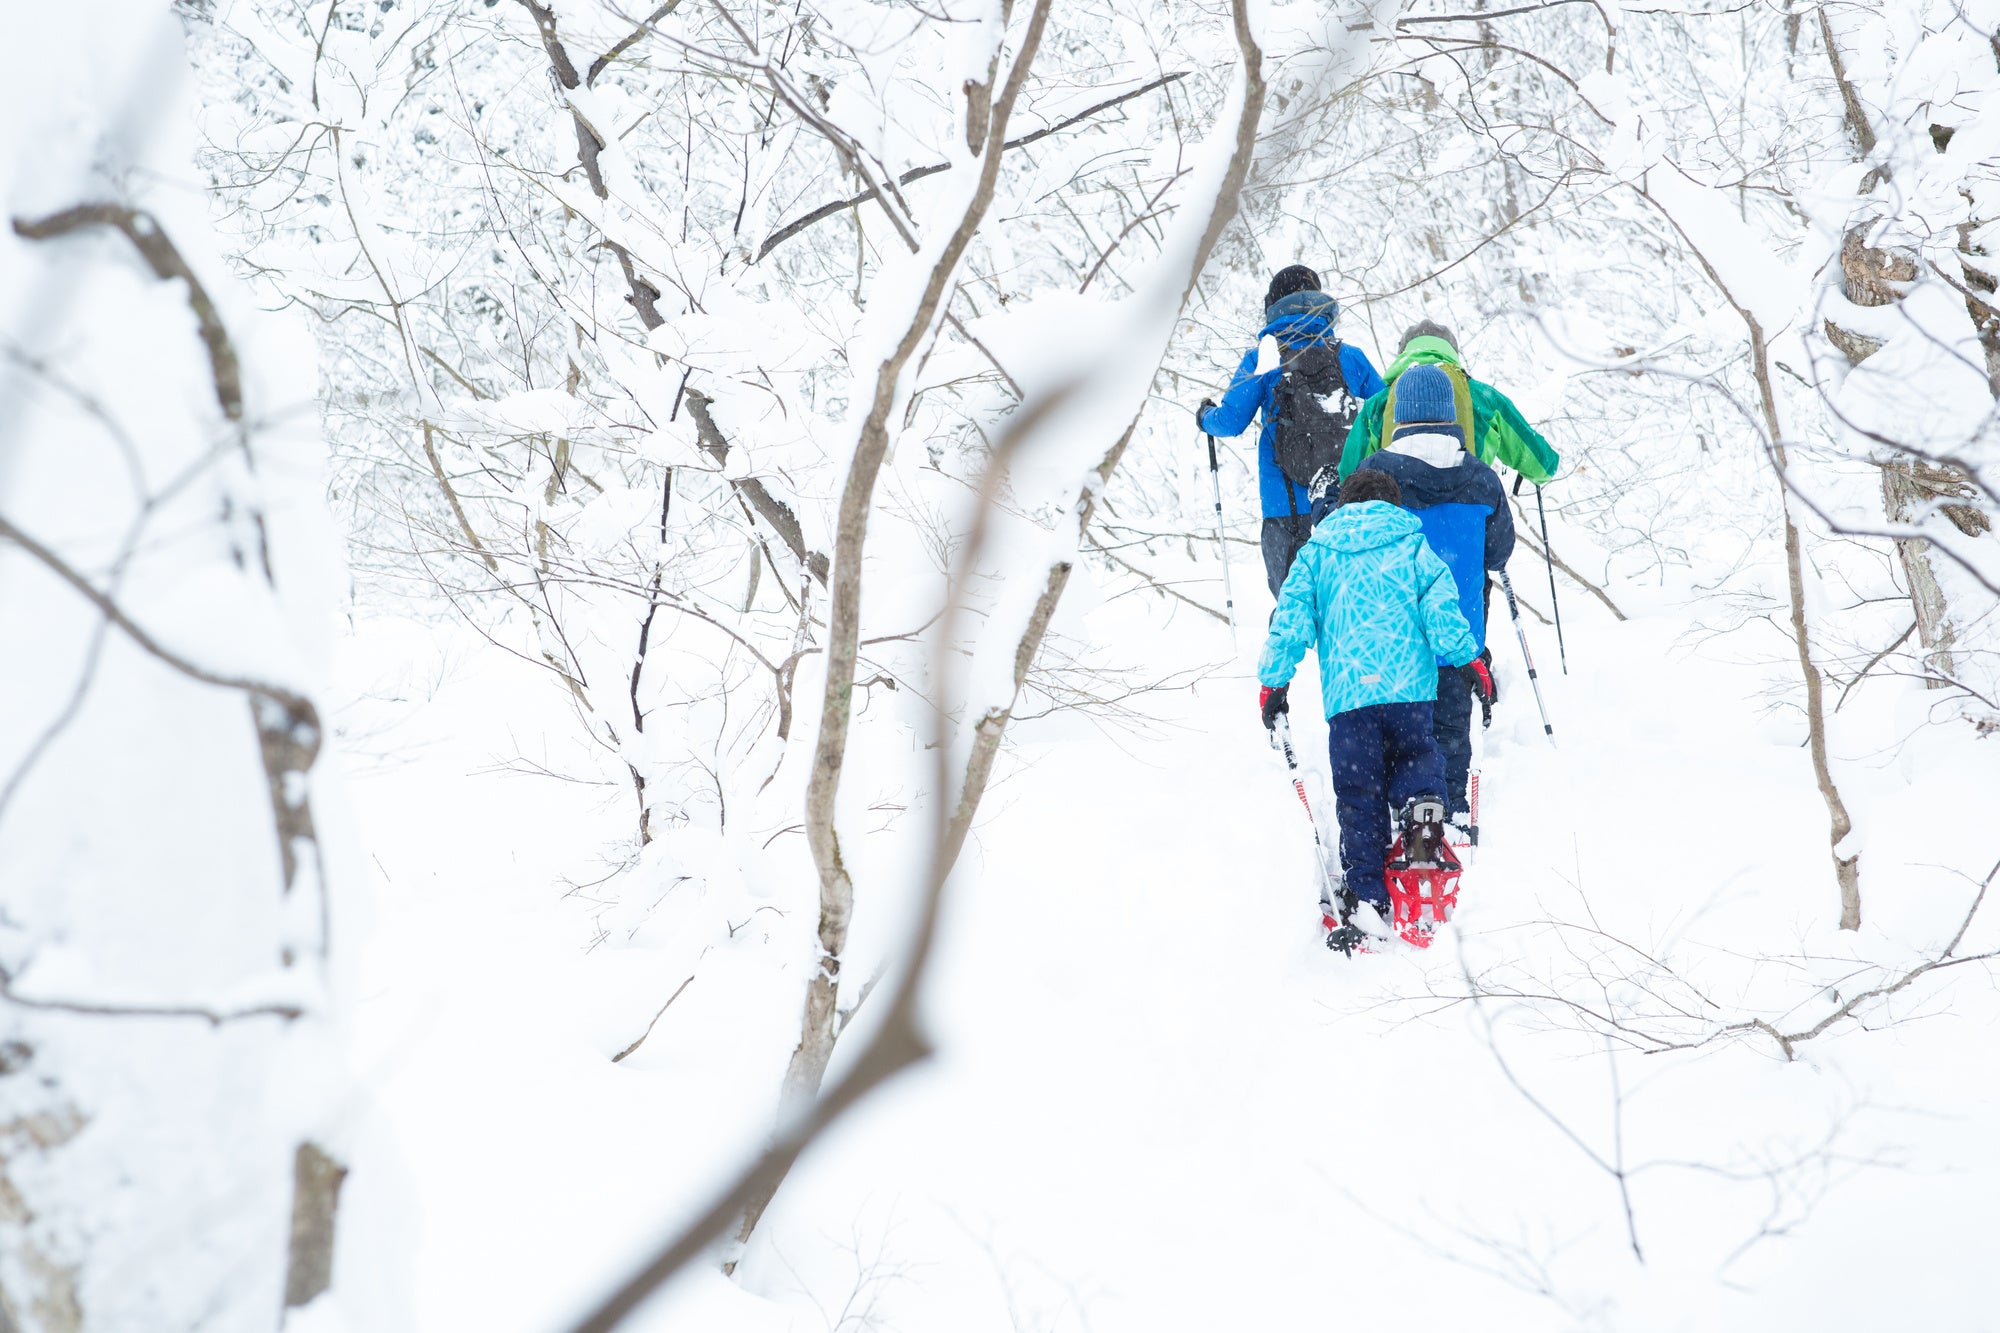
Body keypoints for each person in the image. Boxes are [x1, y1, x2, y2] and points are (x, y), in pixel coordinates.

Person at [1256, 469, 1491, 923]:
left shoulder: (1317, 553)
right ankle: (1422, 810)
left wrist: (1274, 682)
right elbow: (1444, 612)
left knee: (1358, 792)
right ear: (1393, 503)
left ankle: (1367, 896)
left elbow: (1290, 621)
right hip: (1410, 690)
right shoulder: (1413, 546)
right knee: (1417, 754)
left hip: (1350, 698)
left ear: (1344, 504)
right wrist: (1470, 660)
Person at [1347, 364, 1511, 840]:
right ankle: (1453, 822)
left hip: (1394, 640)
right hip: (1459, 638)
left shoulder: (1375, 473)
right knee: (1449, 737)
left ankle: (1404, 822)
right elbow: (1499, 554)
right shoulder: (1482, 480)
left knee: (1401, 741)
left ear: (1400, 416)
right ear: (1450, 415)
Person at [1198, 264, 1385, 600]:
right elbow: (1387, 411)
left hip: (1285, 508)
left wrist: (1204, 416)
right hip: (1346, 501)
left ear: (1272, 307)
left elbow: (1230, 421)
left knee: (1292, 605)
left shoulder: (1264, 359)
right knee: (1350, 599)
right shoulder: (1349, 357)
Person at [1337, 320, 1560, 485]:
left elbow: (1349, 475)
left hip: (1399, 533)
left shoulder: (1379, 403)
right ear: (1452, 353)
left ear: (1403, 354)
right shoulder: (1484, 398)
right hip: (1468, 522)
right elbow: (1543, 465)